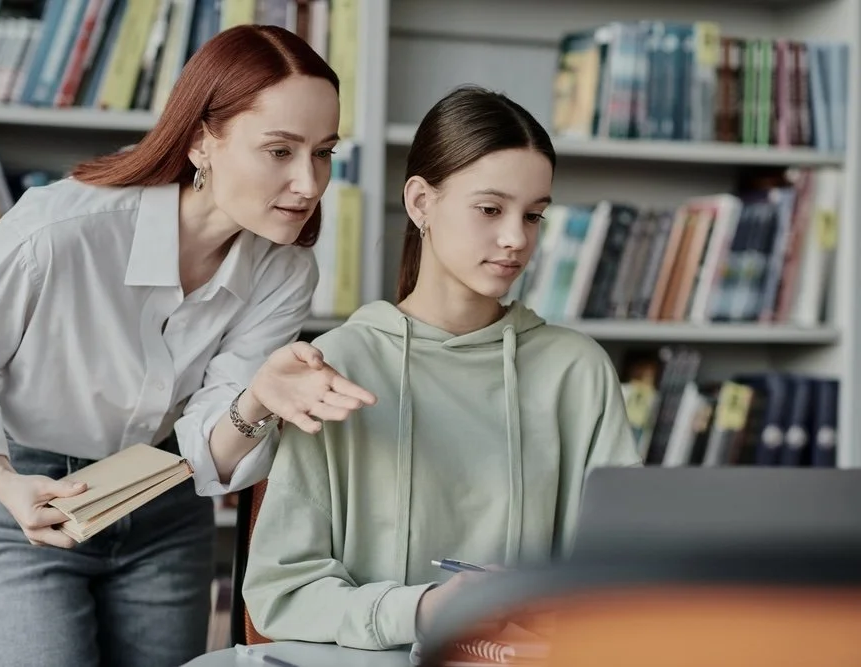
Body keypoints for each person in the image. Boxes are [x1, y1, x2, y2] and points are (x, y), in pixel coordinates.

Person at [0, 24, 375, 667]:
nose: (309, 184)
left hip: (164, 506)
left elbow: (210, 443)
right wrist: (7, 485)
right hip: (26, 502)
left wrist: (259, 397)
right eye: (280, 151)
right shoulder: (61, 229)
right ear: (204, 140)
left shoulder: (286, 270)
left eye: (323, 153)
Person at [241, 85, 642, 651]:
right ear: (421, 202)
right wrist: (424, 610)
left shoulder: (577, 371)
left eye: (534, 216)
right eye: (490, 209)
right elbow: (282, 595)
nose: (515, 239)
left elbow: (621, 585)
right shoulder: (336, 366)